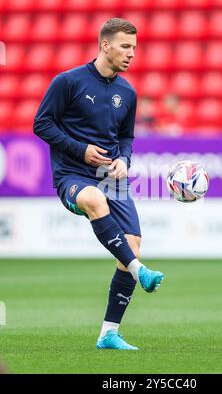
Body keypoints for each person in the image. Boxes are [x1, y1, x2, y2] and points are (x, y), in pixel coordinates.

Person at [34, 18, 165, 350]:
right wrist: (80, 150)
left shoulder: (127, 92)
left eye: (134, 47)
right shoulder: (68, 82)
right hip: (73, 175)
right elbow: (41, 124)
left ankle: (109, 333)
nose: (131, 54)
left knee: (132, 243)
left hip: (111, 176)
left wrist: (124, 160)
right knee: (94, 200)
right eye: (125, 46)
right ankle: (141, 271)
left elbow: (126, 137)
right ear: (105, 45)